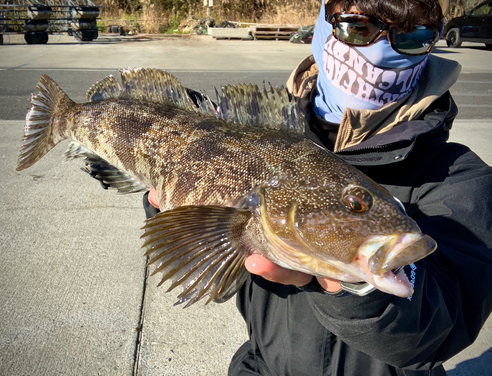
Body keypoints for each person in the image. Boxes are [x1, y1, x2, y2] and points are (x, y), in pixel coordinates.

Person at [145, 0, 492, 374]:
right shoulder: (266, 138)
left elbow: (438, 331)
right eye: (357, 27)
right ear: (324, 27)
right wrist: (177, 209)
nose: (381, 51)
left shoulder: (462, 178)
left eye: (412, 37)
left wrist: (358, 287)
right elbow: (209, 275)